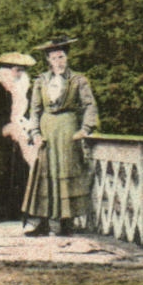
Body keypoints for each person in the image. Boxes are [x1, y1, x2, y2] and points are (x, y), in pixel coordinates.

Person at [22, 39, 100, 236]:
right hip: (47, 131)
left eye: (62, 56)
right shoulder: (40, 81)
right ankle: (43, 223)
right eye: (54, 57)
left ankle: (66, 223)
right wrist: (35, 133)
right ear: (48, 60)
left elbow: (89, 105)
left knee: (67, 171)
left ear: (67, 57)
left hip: (68, 130)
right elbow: (35, 110)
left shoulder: (78, 80)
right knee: (44, 173)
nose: (59, 61)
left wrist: (86, 128)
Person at [0, 53, 36, 222]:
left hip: (18, 131)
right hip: (0, 133)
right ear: (8, 70)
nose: (19, 74)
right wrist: (5, 127)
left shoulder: (24, 88)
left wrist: (22, 126)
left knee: (18, 170)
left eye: (21, 71)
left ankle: (16, 210)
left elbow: (25, 111)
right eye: (16, 70)